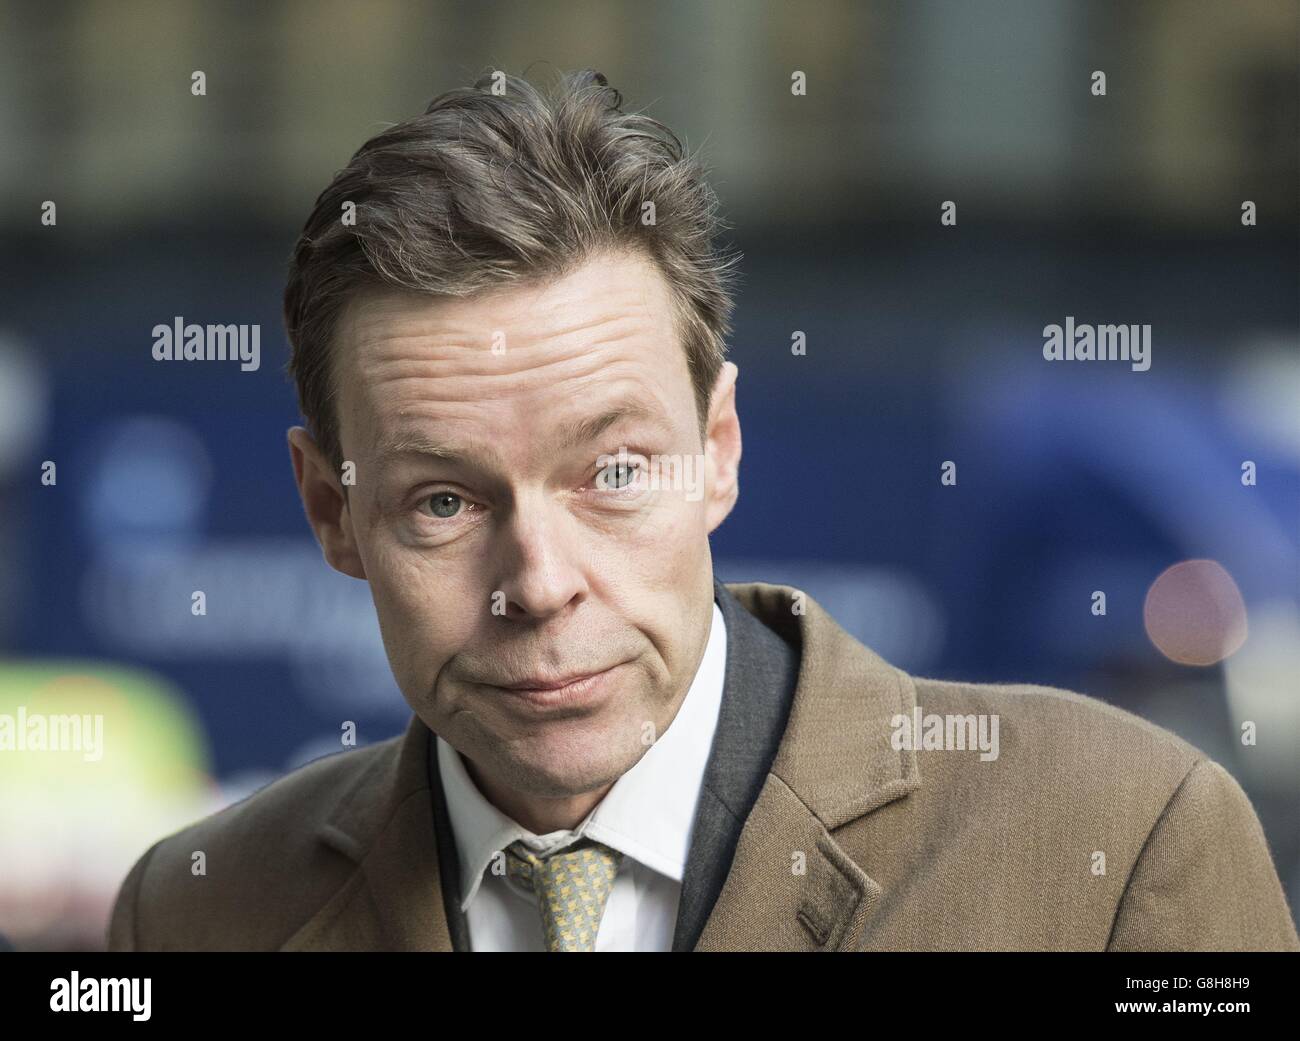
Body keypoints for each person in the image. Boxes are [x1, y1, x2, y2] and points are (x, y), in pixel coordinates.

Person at [107, 69, 1298, 952]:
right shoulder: (196, 913)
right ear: (330, 509)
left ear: (717, 448)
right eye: (442, 500)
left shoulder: (1122, 844)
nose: (541, 581)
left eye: (613, 472)